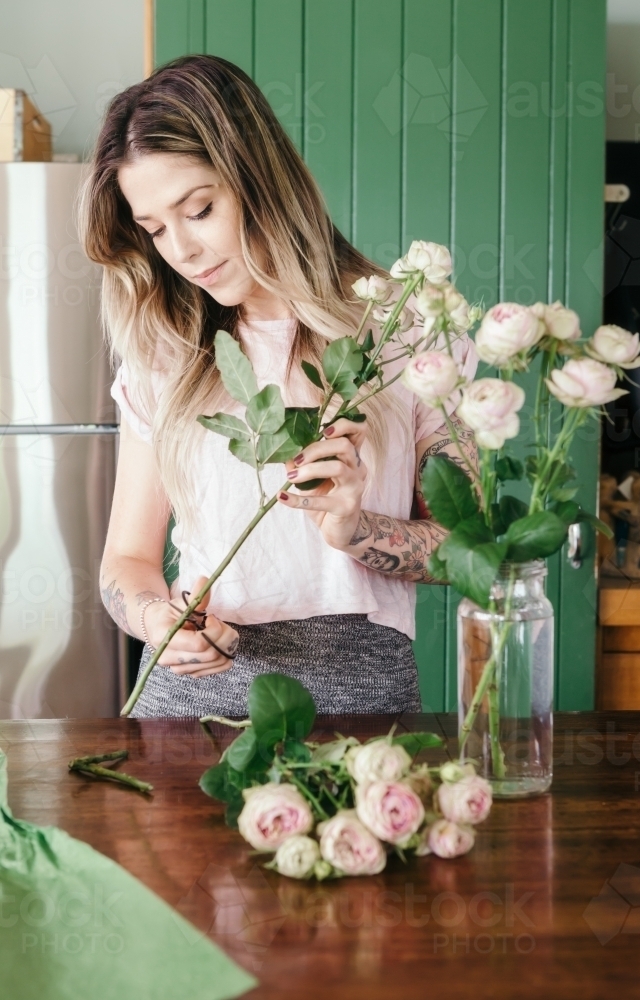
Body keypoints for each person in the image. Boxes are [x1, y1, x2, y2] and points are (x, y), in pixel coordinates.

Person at [82, 55, 477, 718]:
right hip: (183, 706)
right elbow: (126, 559)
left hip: (359, 707)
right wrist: (158, 620)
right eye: (153, 230)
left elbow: (466, 548)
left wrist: (355, 529)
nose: (180, 250)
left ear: (261, 180)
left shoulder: (406, 330)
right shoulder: (164, 350)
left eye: (199, 209)